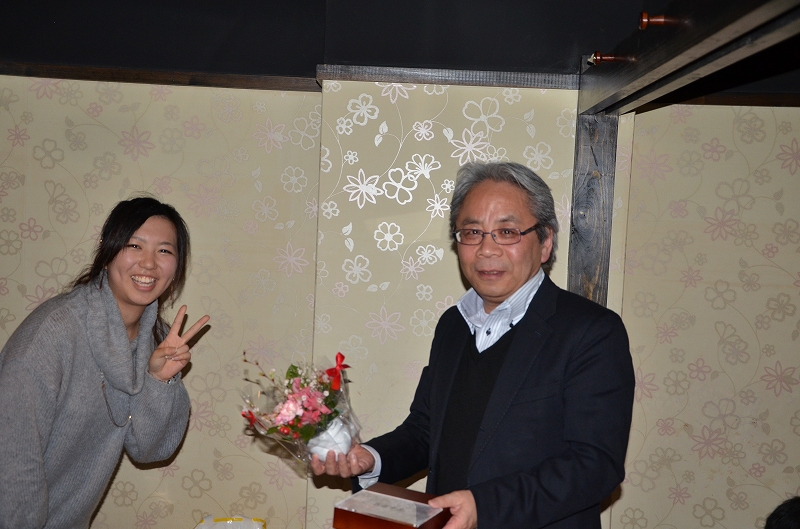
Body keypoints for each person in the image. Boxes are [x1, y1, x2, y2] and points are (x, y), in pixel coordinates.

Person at [311, 162, 635, 529]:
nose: (486, 250)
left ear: (545, 242)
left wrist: (485, 506)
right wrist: (371, 458)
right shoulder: (453, 324)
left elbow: (594, 465)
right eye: (472, 232)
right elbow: (426, 430)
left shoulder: (592, 332)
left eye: (507, 232)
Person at [0, 196, 210, 529]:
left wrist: (159, 381)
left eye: (164, 251)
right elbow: (11, 458)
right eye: (134, 245)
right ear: (107, 249)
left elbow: (150, 450)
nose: (149, 263)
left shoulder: (155, 341)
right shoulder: (53, 333)